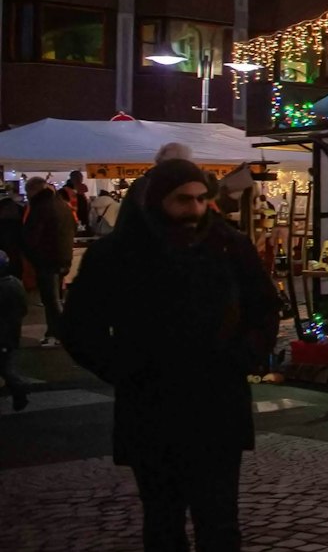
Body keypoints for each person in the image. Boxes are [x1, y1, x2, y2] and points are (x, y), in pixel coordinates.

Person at [62, 158, 280, 551]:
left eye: (200, 199)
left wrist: (243, 355)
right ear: (159, 200)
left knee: (219, 521)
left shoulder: (230, 245)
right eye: (183, 200)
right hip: (152, 408)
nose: (195, 209)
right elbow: (80, 328)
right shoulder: (117, 254)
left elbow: (264, 309)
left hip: (217, 406)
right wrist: (126, 369)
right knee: (162, 521)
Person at [23, 176, 77, 346]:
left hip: (47, 259)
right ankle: (57, 332)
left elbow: (32, 237)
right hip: (63, 257)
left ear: (33, 190)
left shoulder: (40, 207)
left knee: (51, 300)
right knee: (57, 298)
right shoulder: (61, 205)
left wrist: (31, 256)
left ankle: (60, 333)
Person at [0, 250, 27, 410]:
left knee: (5, 367)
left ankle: (19, 388)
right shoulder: (15, 284)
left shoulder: (3, 288)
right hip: (11, 333)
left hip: (3, 334)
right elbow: (23, 309)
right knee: (5, 364)